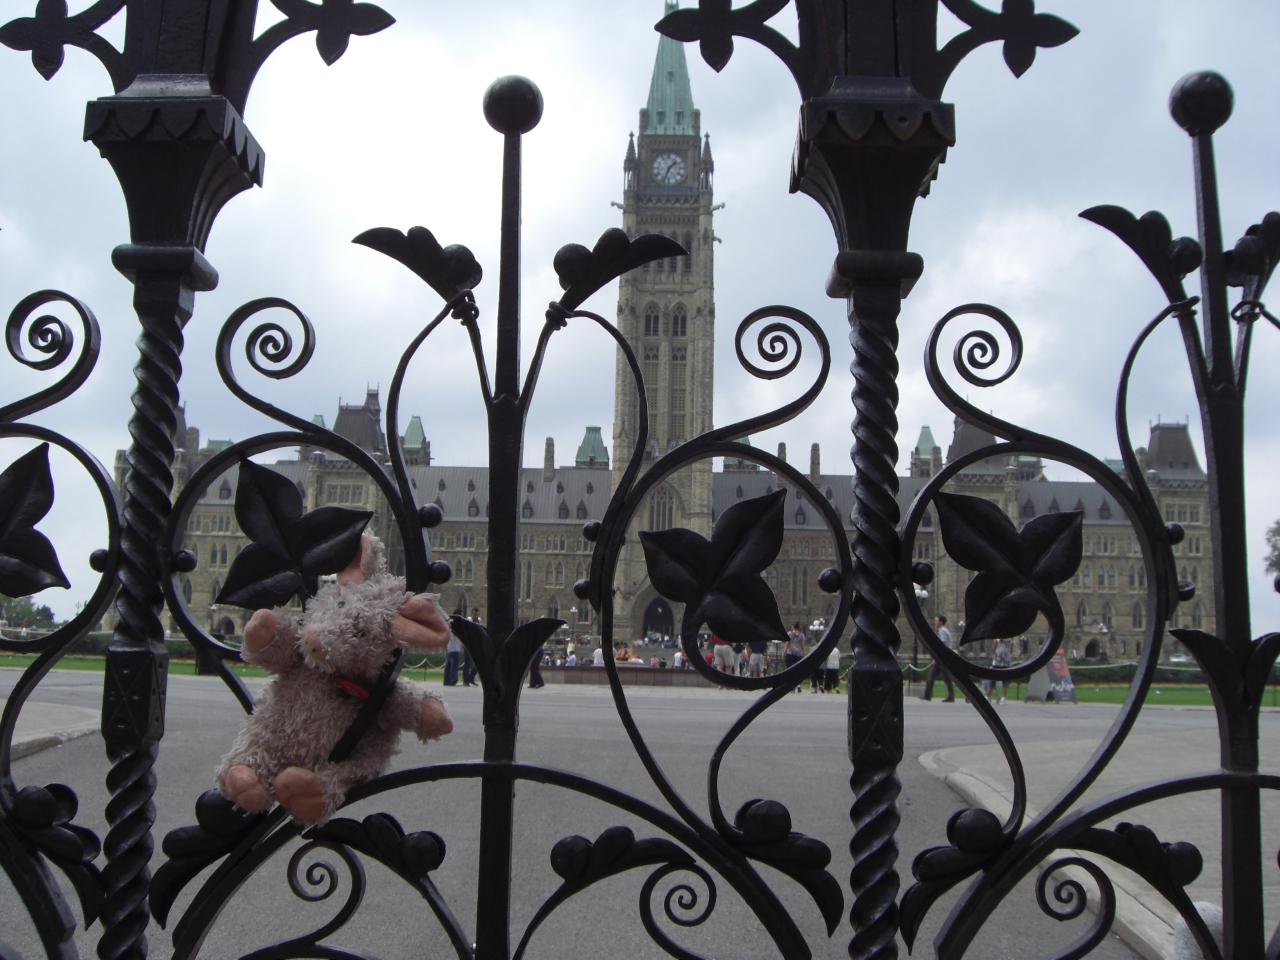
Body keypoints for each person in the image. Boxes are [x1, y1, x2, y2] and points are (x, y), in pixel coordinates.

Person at [921, 615, 956, 702]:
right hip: (946, 657)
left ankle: (927, 695)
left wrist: (937, 657)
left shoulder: (942, 631)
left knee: (931, 676)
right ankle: (951, 696)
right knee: (947, 677)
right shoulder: (944, 630)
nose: (935, 623)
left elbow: (943, 643)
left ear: (941, 622)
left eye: (937, 621)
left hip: (942, 658)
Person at [984, 637, 1013, 704]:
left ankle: (987, 696)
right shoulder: (1010, 639)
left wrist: (994, 655)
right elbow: (1011, 650)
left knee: (993, 678)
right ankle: (1003, 698)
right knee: (1005, 680)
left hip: (997, 660)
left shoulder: (997, 637)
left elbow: (993, 647)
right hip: (1006, 661)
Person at [462, 608, 481, 686]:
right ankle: (466, 680)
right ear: (472, 614)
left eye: (477, 614)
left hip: (475, 644)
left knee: (477, 663)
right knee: (467, 663)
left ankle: (471, 677)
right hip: (468, 644)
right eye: (474, 614)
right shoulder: (469, 621)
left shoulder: (479, 620)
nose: (476, 616)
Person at [785, 623, 805, 692]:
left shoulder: (789, 634)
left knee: (789, 670)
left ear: (793, 626)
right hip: (798, 654)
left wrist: (784, 653)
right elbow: (802, 645)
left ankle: (791, 686)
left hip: (790, 653)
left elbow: (787, 644)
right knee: (797, 670)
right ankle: (798, 685)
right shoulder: (801, 635)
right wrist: (803, 654)